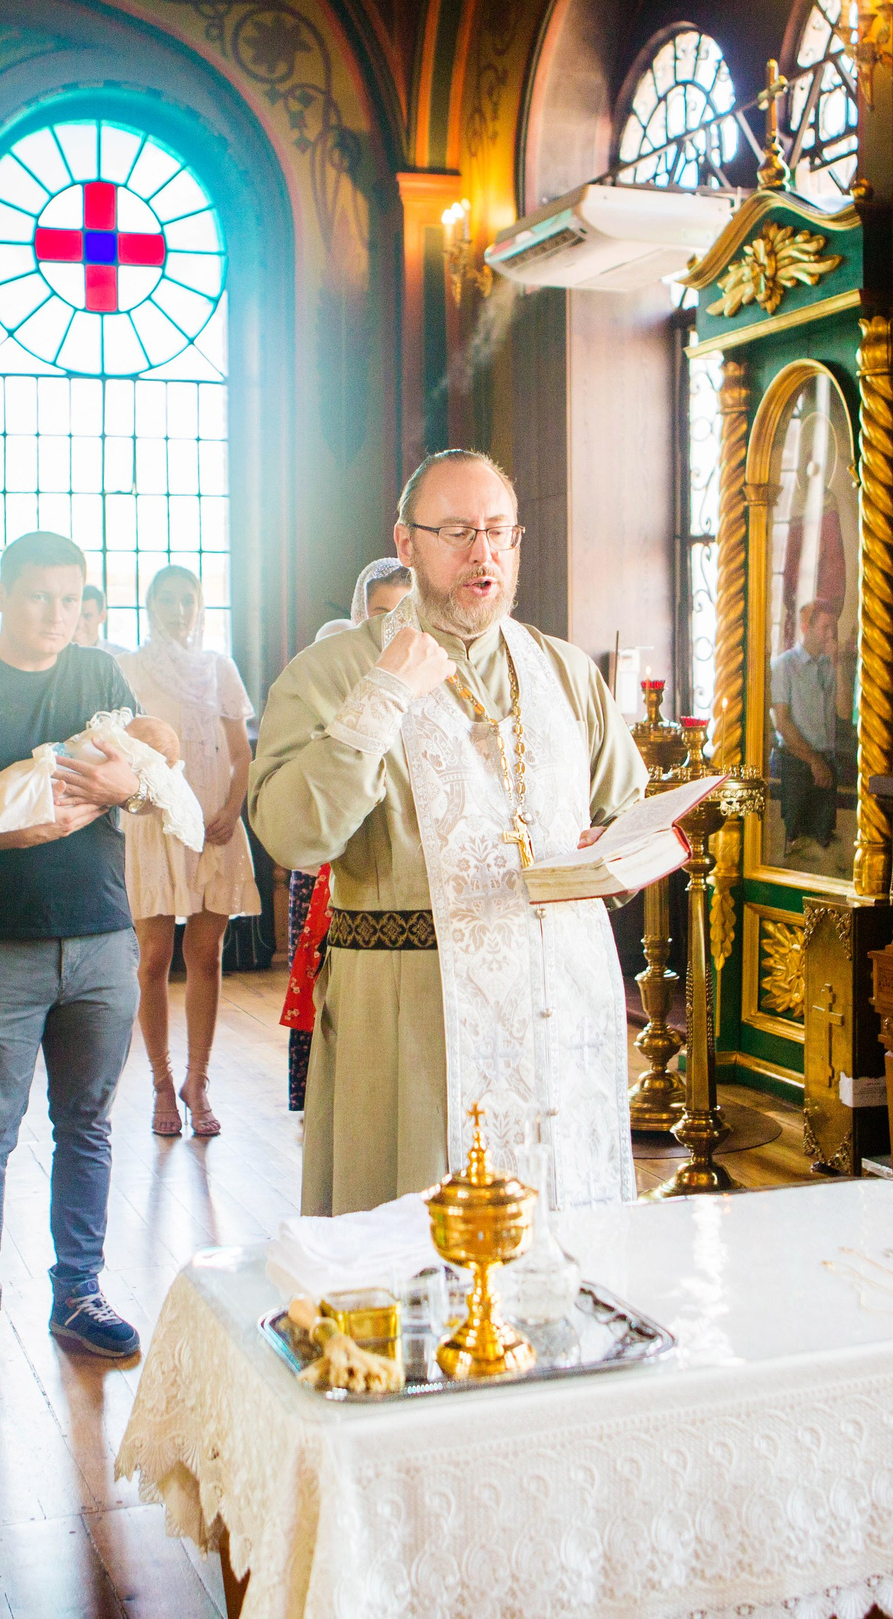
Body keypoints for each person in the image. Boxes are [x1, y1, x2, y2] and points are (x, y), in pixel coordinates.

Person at [251, 450, 647, 1216]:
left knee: (561, 1249)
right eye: (459, 531)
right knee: (411, 1266)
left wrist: (621, 857)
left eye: (499, 532)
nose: (484, 554)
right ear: (405, 542)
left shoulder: (564, 670)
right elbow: (293, 834)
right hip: (408, 1030)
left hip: (559, 1017)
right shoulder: (331, 671)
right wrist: (385, 696)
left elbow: (625, 810)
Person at [0, 531, 162, 1382]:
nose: (57, 615)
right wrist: (17, 827)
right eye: (39, 596)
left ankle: (79, 1293)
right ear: (3, 594)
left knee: (88, 1124)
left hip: (100, 936)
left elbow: (150, 769)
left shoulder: (98, 675)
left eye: (71, 599)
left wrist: (134, 785)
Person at [118, 565, 259, 1138]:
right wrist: (140, 802)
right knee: (153, 958)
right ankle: (159, 1082)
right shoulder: (127, 669)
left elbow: (242, 751)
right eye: (168, 600)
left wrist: (231, 809)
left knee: (206, 954)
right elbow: (115, 752)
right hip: (153, 824)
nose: (179, 610)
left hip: (215, 826)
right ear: (150, 605)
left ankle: (196, 1081)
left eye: (188, 600)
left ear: (201, 607)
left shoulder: (218, 667)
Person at [289, 558, 413, 1109]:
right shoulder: (334, 668)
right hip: (331, 849)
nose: (392, 627)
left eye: (405, 613)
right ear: (361, 613)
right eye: (381, 613)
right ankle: (319, 1095)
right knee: (323, 977)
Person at [768, 598, 845, 858]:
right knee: (794, 843)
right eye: (825, 627)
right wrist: (813, 761)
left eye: (833, 628)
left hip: (826, 761)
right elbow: (782, 722)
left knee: (822, 845)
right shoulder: (784, 666)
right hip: (795, 764)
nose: (830, 634)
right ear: (806, 627)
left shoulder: (829, 667)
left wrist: (839, 664)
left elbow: (844, 711)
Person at [315, 556, 411, 642]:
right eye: (381, 616)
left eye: (403, 615)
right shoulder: (336, 638)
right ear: (361, 610)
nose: (393, 625)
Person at [77, 585, 131, 658]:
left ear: (102, 617)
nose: (80, 624)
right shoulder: (58, 655)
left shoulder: (119, 656)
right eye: (76, 616)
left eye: (87, 616)